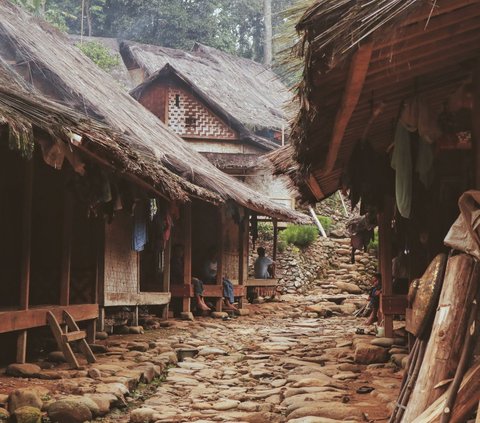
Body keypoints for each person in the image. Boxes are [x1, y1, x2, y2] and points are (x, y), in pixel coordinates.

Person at [171, 244, 210, 312]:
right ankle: (198, 302)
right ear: (174, 252)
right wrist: (187, 276)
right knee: (196, 281)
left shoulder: (182, 261)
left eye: (181, 251)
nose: (180, 252)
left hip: (183, 277)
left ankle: (202, 301)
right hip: (176, 279)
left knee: (200, 281)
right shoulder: (173, 261)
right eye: (178, 251)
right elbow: (178, 273)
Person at [203, 246, 237, 311]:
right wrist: (213, 274)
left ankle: (231, 302)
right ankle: (227, 302)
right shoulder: (207, 262)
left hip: (217, 278)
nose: (214, 255)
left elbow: (220, 272)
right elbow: (206, 274)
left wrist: (220, 276)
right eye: (213, 253)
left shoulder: (217, 262)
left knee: (229, 283)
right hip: (210, 279)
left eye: (215, 253)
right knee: (225, 284)